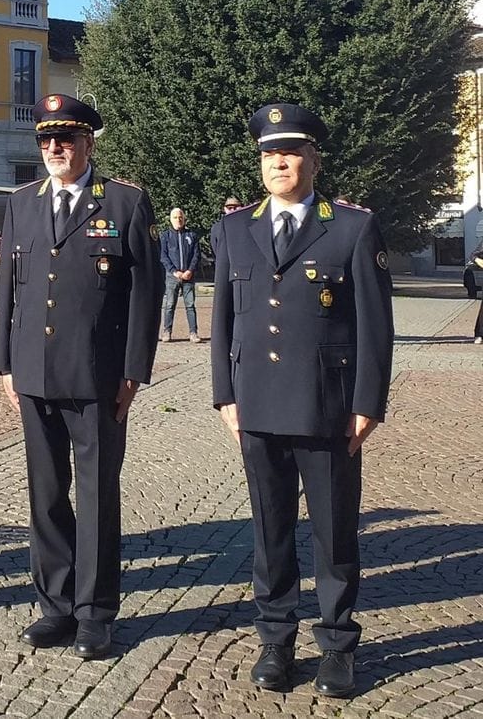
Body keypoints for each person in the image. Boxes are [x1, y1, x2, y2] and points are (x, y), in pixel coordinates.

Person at [210, 103, 393, 698]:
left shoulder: (351, 227)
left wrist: (368, 402)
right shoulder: (234, 229)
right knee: (271, 530)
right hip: (258, 405)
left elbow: (375, 326)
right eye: (269, 154)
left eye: (290, 153)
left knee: (335, 533)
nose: (279, 163)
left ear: (314, 159)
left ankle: (338, 643)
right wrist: (224, 395)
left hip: (326, 407)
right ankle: (276, 639)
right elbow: (223, 321)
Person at [0, 94, 162, 660]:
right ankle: (55, 605)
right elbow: (9, 291)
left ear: (88, 142)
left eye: (65, 138)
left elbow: (144, 294)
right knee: (45, 495)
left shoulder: (124, 202)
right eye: (46, 140)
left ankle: (95, 612)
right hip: (34, 372)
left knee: (95, 496)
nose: (54, 148)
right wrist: (5, 363)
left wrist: (133, 371)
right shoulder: (21, 203)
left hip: (97, 376)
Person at [159, 207, 201, 343]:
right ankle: (167, 331)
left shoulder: (192, 235)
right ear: (171, 219)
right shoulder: (165, 236)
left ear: (184, 219)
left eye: (181, 217)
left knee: (190, 305)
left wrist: (190, 270)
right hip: (172, 276)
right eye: (175, 217)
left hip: (189, 276)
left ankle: (193, 333)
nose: (178, 220)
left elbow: (196, 255)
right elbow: (163, 256)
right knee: (169, 305)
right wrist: (174, 271)